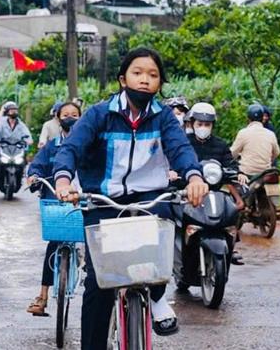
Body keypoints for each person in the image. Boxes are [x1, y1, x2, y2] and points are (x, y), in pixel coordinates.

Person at [52, 47, 208, 348]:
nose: (145, 80)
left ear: (160, 84)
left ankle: (159, 297)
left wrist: (195, 177)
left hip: (149, 196)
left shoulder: (164, 118)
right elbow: (71, 148)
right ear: (123, 78)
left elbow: (181, 150)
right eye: (138, 73)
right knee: (100, 282)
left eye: (153, 75)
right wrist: (62, 181)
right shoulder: (99, 114)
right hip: (103, 199)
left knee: (161, 248)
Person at [26, 101, 82, 316]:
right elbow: (38, 164)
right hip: (57, 202)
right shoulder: (52, 145)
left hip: (84, 201)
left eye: (75, 114)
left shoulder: (91, 144)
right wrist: (34, 175)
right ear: (58, 118)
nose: (70, 117)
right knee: (54, 244)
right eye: (66, 114)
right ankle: (43, 296)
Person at [186, 101, 247, 265]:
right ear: (192, 124)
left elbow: (230, 163)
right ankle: (175, 248)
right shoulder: (184, 143)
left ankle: (231, 245)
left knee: (231, 211)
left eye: (207, 124)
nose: (203, 127)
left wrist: (239, 173)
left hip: (214, 192)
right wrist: (171, 172)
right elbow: (173, 160)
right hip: (188, 192)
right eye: (200, 124)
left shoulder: (220, 144)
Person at [230, 104, 280, 179]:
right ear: (262, 118)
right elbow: (277, 153)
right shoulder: (271, 134)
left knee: (229, 182)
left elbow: (232, 154)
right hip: (265, 173)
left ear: (248, 118)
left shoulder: (243, 133)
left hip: (246, 173)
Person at [0, 101, 33, 177]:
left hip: (16, 146)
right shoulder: (2, 122)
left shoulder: (20, 124)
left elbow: (27, 134)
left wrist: (29, 140)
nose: (14, 112)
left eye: (15, 110)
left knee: (24, 154)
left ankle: (23, 171)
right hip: (3, 145)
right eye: (12, 110)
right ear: (7, 112)